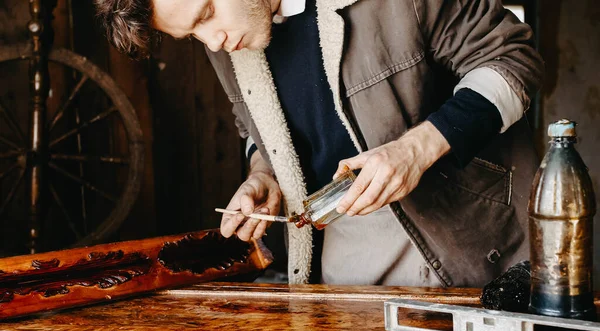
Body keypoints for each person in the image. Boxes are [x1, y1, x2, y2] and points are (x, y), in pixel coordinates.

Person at [95, 0, 544, 287]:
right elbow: (252, 125)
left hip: (467, 246)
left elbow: (513, 60)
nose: (213, 40)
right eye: (191, 35)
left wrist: (416, 149)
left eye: (207, 13)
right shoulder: (229, 40)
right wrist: (263, 175)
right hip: (345, 263)